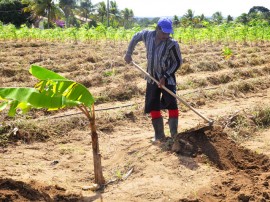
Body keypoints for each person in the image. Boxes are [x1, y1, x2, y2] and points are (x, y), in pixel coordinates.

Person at [124, 17, 183, 141]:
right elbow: (135, 37)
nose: (166, 36)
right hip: (151, 78)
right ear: (157, 29)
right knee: (153, 105)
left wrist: (165, 76)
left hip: (167, 79)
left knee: (171, 104)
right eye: (163, 33)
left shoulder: (172, 44)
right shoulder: (147, 35)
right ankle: (159, 135)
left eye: (168, 33)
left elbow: (177, 62)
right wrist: (129, 53)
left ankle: (174, 136)